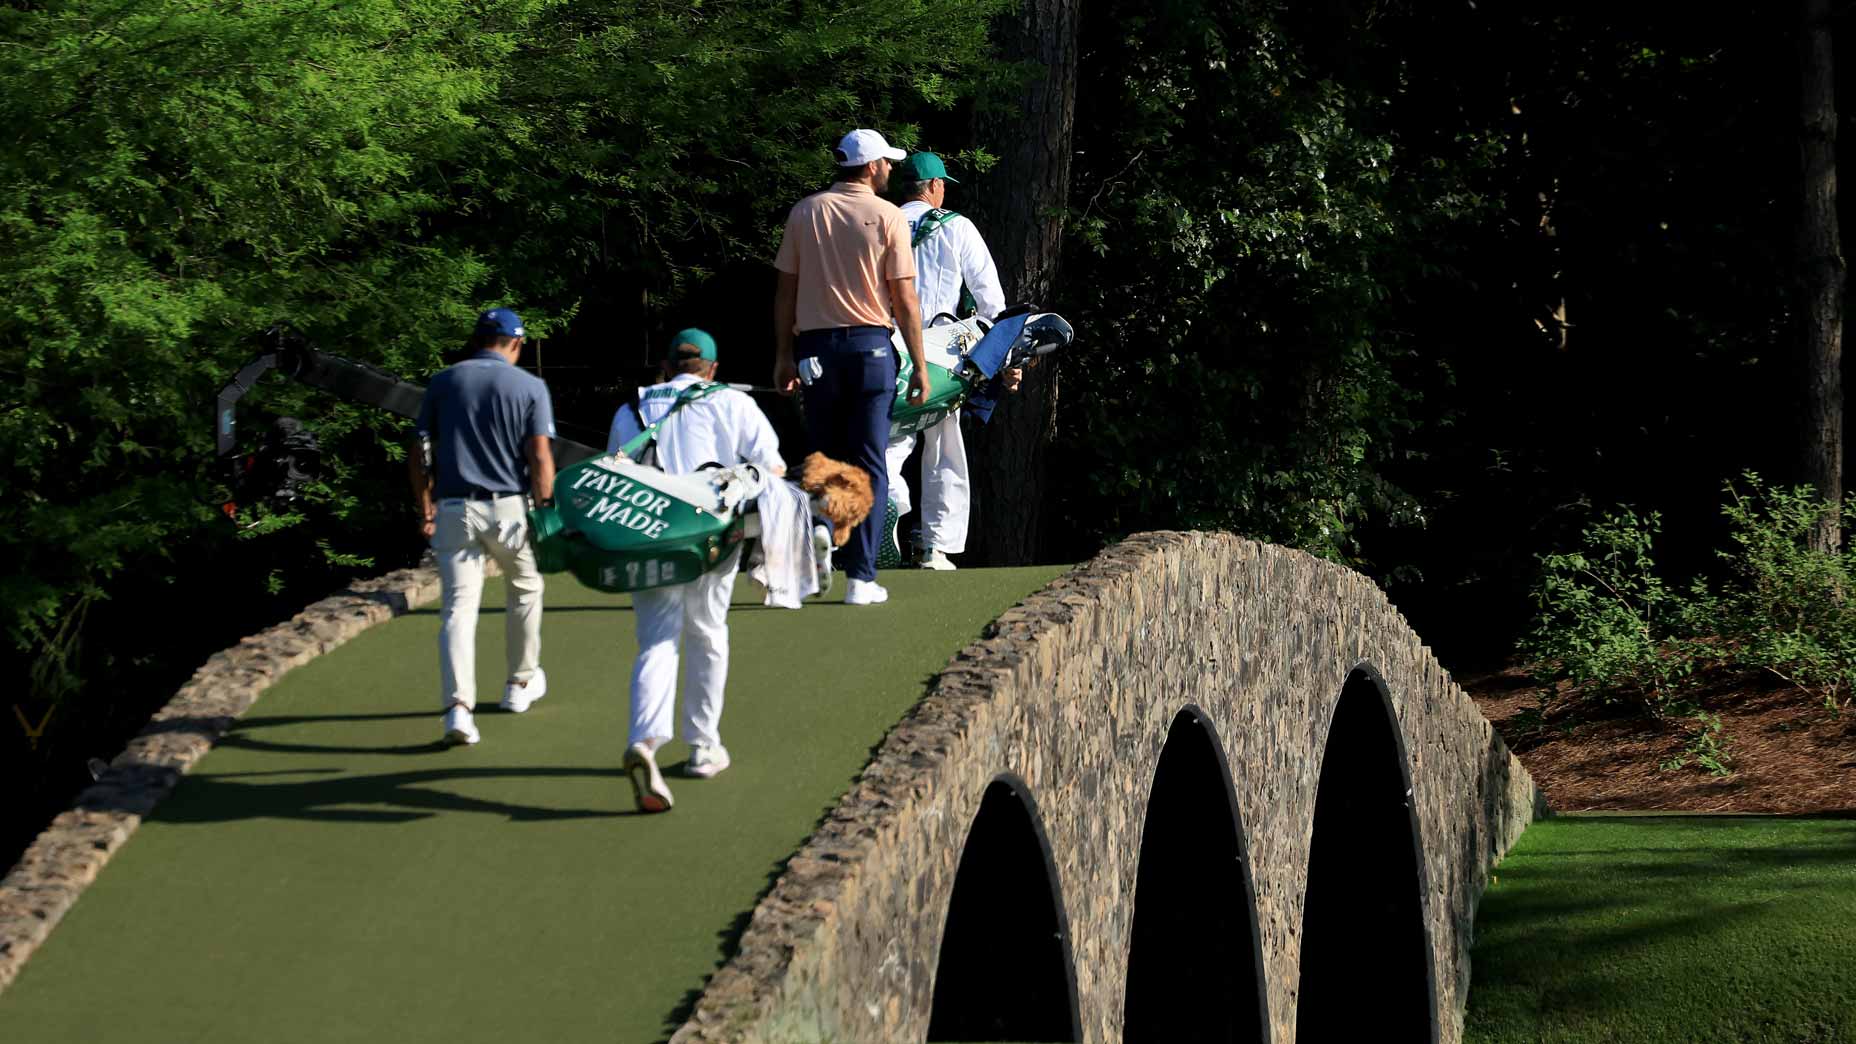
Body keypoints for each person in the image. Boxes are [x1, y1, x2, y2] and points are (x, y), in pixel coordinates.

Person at [607, 329, 785, 812]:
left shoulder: (633, 408)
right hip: (710, 536)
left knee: (656, 641)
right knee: (708, 633)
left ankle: (644, 740)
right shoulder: (731, 403)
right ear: (712, 367)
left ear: (666, 365)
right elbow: (773, 470)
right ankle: (704, 747)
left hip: (648, 536)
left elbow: (615, 476)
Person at [773, 128, 932, 605]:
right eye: (886, 162)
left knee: (827, 456)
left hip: (816, 350)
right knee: (870, 461)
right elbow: (903, 298)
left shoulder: (806, 212)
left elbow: (785, 292)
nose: (890, 169)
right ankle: (860, 577)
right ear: (870, 167)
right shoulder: (887, 216)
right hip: (870, 348)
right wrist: (921, 365)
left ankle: (825, 532)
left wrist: (783, 354)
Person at [409, 307, 556, 746]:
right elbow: (540, 458)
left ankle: (458, 710)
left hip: (454, 507)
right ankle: (519, 683)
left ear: (477, 339)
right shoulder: (530, 386)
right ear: (516, 342)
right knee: (526, 587)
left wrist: (424, 507)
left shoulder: (443, 381)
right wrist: (545, 511)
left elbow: (418, 451)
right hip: (508, 507)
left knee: (457, 608)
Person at [886, 151, 1007, 570]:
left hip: (886, 347)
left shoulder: (879, 223)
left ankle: (887, 503)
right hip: (942, 353)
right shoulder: (957, 227)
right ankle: (934, 547)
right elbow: (991, 299)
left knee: (889, 441)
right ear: (936, 187)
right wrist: (996, 357)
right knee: (944, 448)